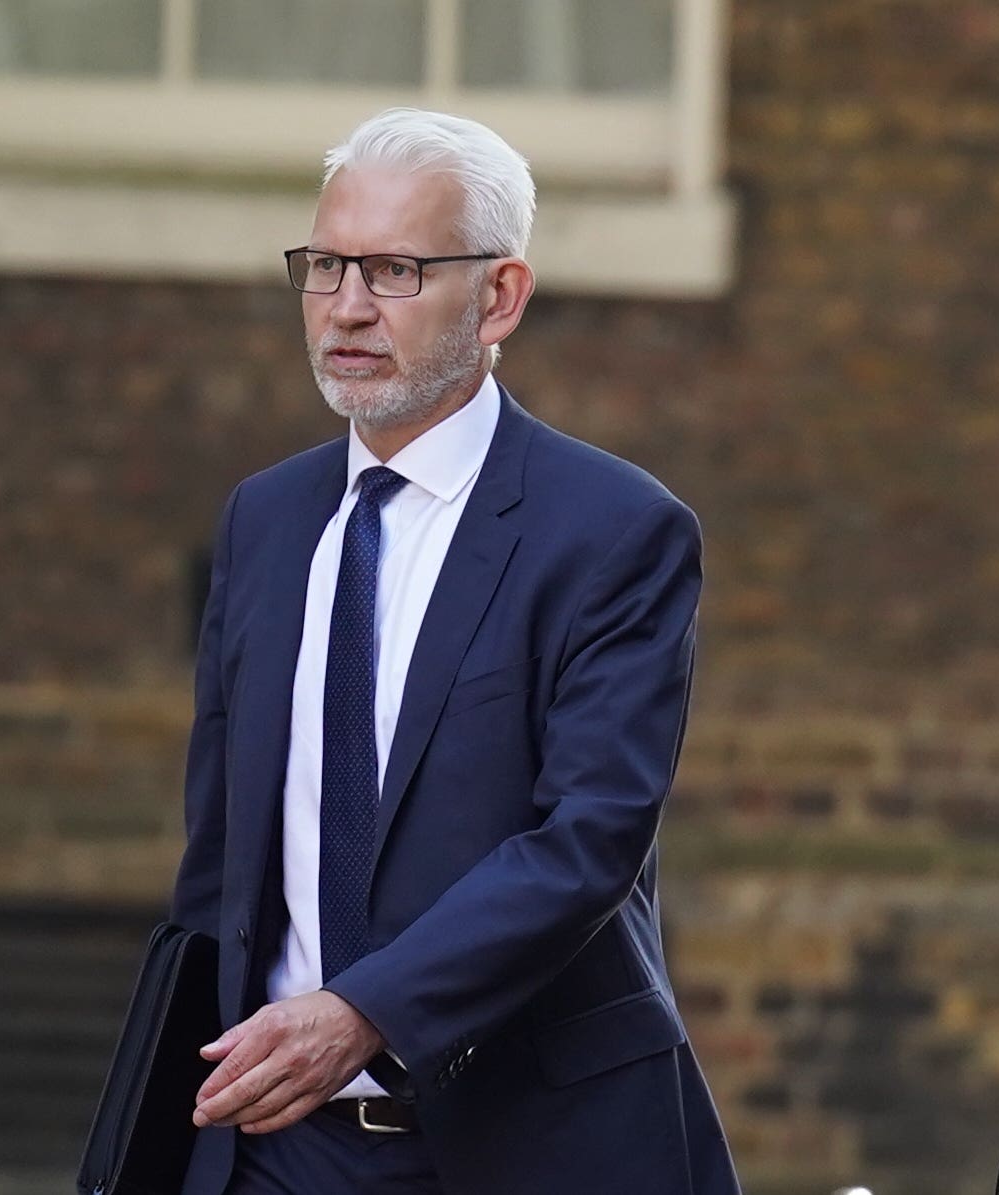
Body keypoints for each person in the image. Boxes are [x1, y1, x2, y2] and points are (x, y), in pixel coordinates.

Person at [170, 107, 740, 1195]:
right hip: (271, 1150)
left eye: (393, 270)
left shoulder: (613, 529)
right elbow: (221, 858)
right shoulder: (266, 519)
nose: (345, 307)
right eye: (326, 264)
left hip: (520, 1143)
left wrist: (365, 1014)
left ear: (500, 297)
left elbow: (587, 839)